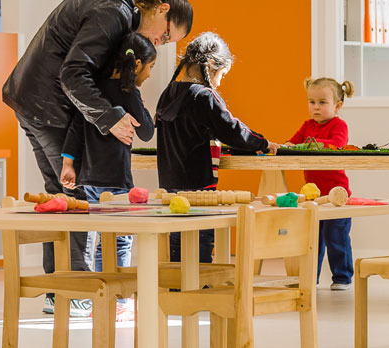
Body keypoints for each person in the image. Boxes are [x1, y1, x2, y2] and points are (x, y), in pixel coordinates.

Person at [2, 0, 192, 316]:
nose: (159, 42)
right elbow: (74, 73)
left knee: (60, 197)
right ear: (161, 9)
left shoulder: (110, 5)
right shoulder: (112, 12)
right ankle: (75, 292)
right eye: (165, 35)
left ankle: (59, 291)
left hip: (33, 100)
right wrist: (109, 116)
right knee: (76, 198)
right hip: (49, 106)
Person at [155, 32, 280, 262]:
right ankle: (199, 286)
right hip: (199, 186)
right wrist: (262, 143)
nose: (221, 82)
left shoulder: (168, 93)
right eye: (222, 74)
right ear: (210, 64)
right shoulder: (204, 96)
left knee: (177, 238)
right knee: (202, 237)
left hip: (170, 183)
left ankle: (177, 288)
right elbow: (231, 130)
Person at [58, 32, 157, 320]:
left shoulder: (93, 90)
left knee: (100, 235)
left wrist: (68, 164)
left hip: (88, 178)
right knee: (121, 238)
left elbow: (76, 128)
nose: (149, 74)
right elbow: (147, 132)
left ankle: (103, 295)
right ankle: (118, 300)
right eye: (149, 68)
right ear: (136, 64)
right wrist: (139, 103)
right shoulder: (127, 93)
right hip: (115, 179)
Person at [286, 77, 355, 290]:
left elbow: (336, 144)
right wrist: (287, 146)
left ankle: (342, 277)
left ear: (337, 105)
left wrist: (310, 144)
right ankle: (310, 278)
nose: (316, 107)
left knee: (336, 237)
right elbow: (293, 143)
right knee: (312, 239)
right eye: (312, 102)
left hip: (336, 194)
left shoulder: (338, 125)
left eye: (322, 102)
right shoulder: (307, 126)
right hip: (313, 196)